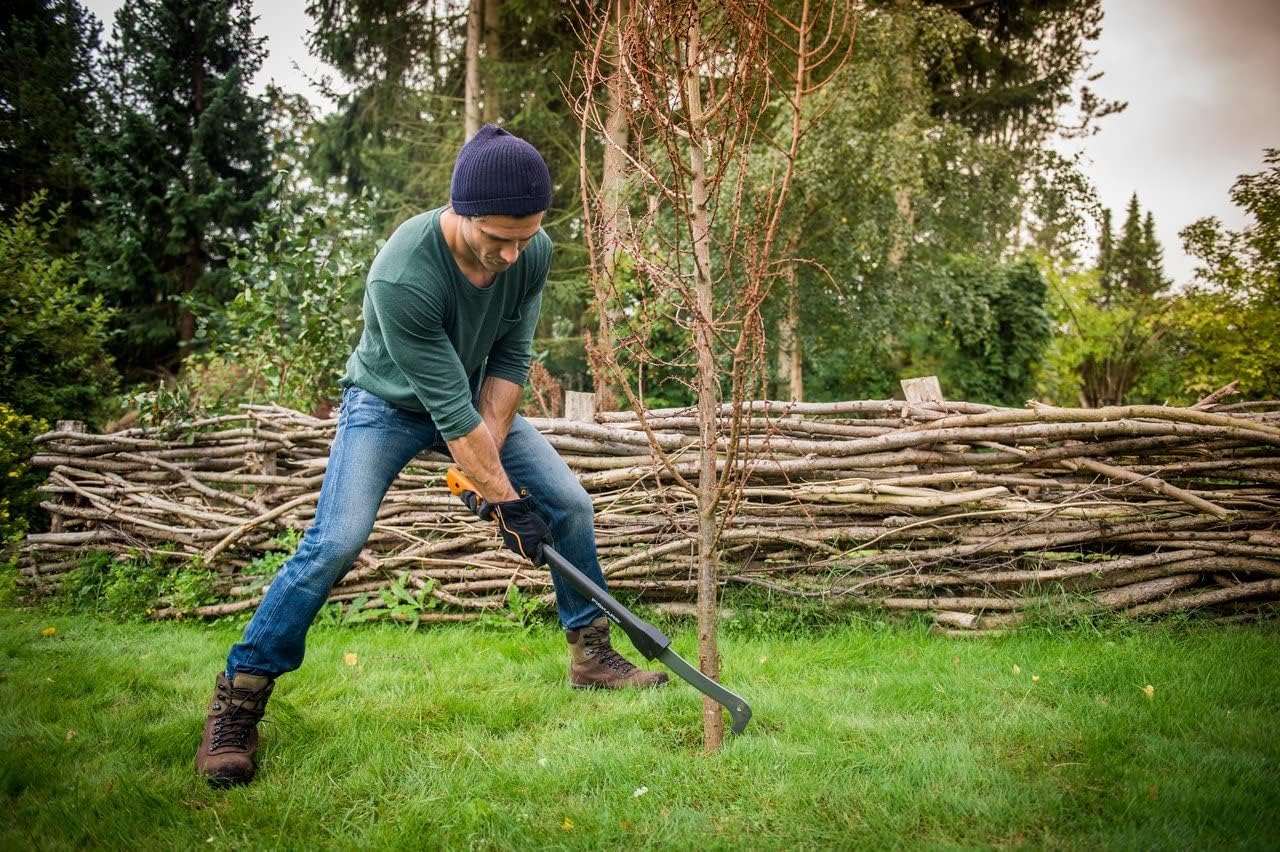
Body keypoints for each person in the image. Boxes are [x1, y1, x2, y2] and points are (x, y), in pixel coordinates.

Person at [196, 124, 667, 788]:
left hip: (476, 404)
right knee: (337, 539)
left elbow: (508, 364)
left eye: (523, 237)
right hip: (385, 406)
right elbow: (446, 412)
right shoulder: (402, 273)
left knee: (569, 505)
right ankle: (240, 698)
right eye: (496, 237)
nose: (509, 254)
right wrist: (501, 498)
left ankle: (592, 655)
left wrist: (489, 476)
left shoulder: (531, 253)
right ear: (458, 210)